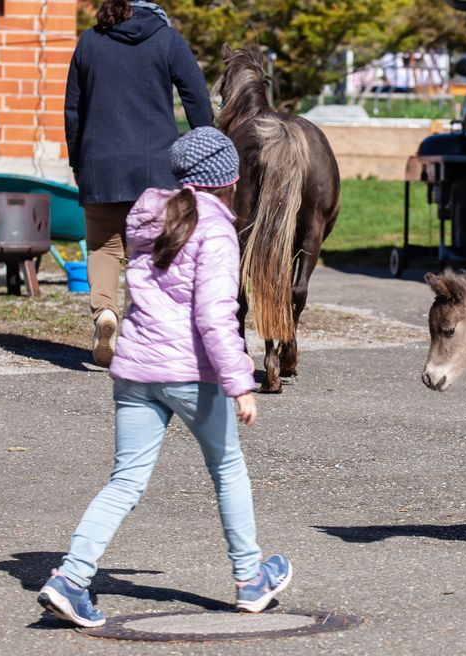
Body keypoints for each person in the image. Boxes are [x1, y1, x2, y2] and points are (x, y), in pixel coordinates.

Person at [37, 128, 290, 628]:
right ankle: (249, 579)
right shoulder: (215, 230)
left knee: (125, 480)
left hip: (135, 369)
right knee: (227, 469)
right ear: (230, 177)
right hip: (189, 373)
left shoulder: (147, 215)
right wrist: (240, 381)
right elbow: (215, 315)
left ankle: (71, 577)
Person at [64, 0, 214, 367]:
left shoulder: (89, 42)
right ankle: (148, 335)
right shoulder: (167, 39)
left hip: (100, 164)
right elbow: (196, 96)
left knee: (103, 246)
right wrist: (206, 148)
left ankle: (105, 314)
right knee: (151, 251)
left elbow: (73, 108)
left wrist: (77, 160)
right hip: (156, 169)